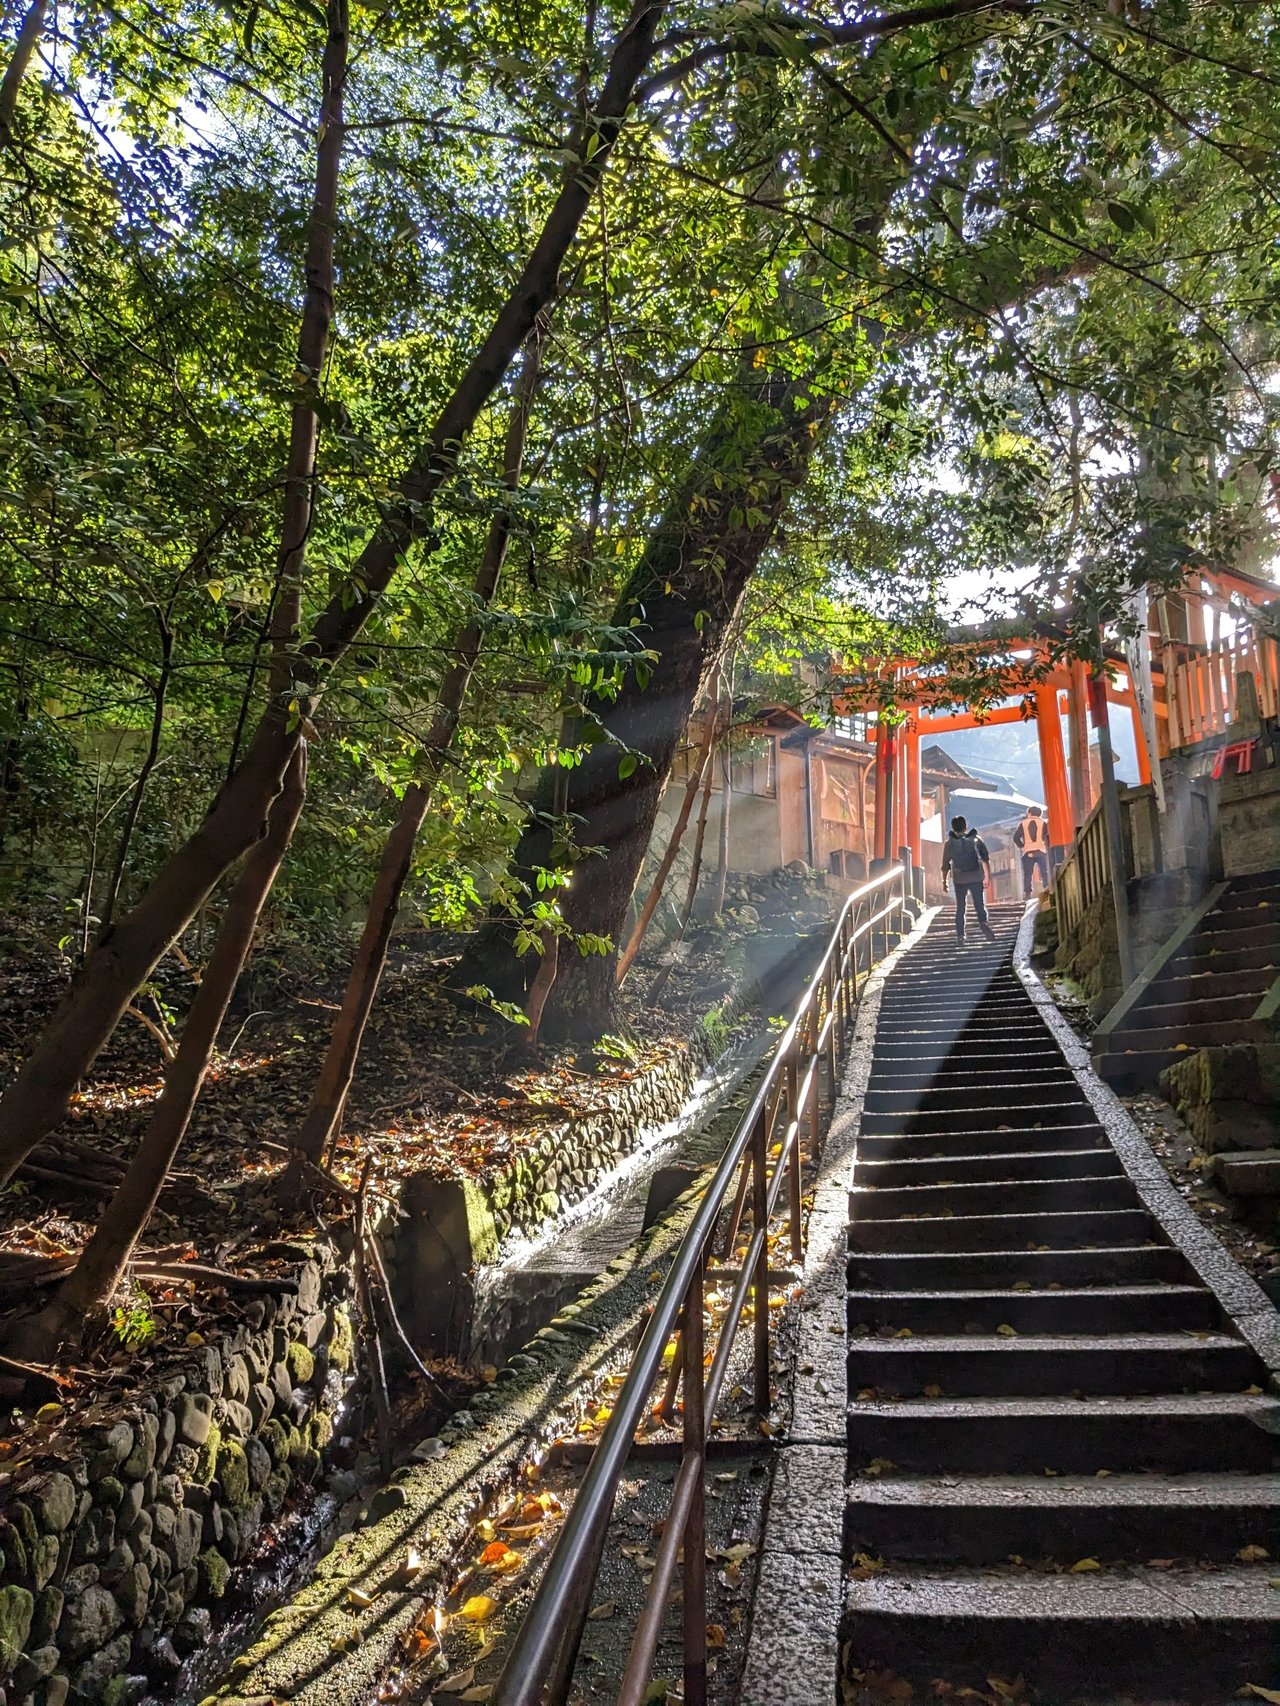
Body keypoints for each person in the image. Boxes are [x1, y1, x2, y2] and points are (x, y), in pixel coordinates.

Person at [941, 815, 996, 944]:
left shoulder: (949, 843)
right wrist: (987, 876)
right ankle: (983, 922)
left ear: (953, 828)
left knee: (961, 907)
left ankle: (960, 935)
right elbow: (985, 859)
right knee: (979, 904)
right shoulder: (976, 839)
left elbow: (945, 865)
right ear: (966, 826)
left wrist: (944, 882)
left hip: (959, 878)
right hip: (976, 876)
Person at [1013, 804, 1049, 898]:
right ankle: (1047, 889)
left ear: (1029, 813)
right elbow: (1048, 836)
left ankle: (1028, 894)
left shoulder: (1023, 823)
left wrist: (1022, 846)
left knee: (1028, 873)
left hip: (1028, 851)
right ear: (1039, 814)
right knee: (1044, 871)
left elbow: (1016, 837)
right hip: (1041, 851)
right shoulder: (1044, 823)